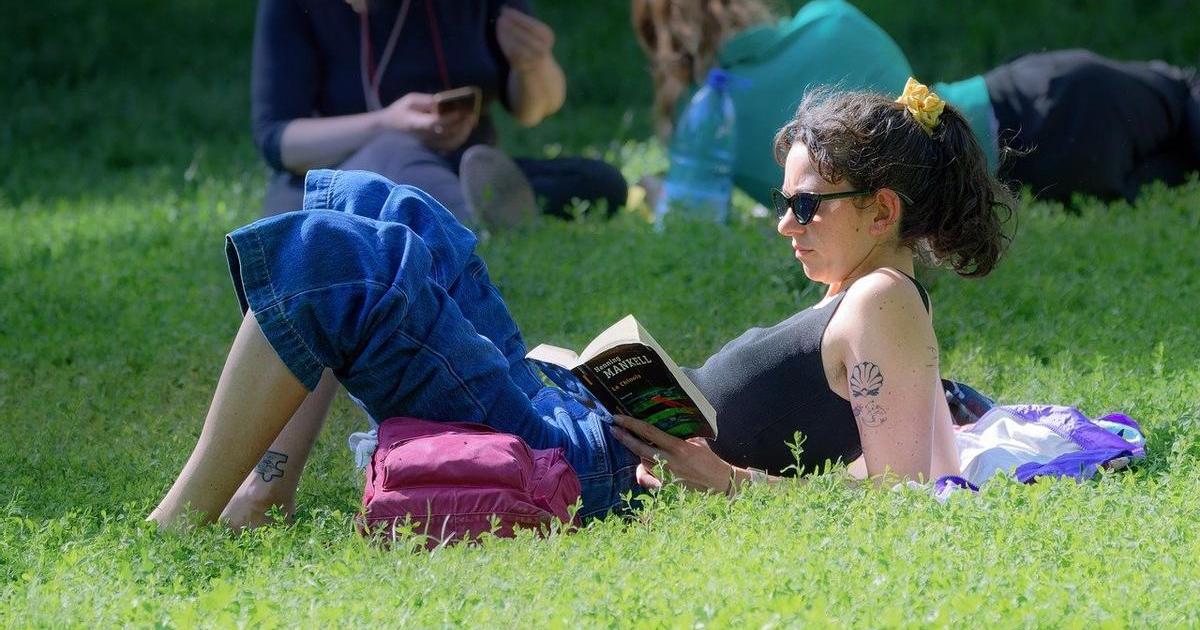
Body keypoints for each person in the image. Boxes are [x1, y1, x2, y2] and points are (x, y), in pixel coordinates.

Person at [149, 79, 1014, 530]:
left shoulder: (882, 300)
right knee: (388, 205)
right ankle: (264, 494)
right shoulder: (875, 299)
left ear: (881, 212)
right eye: (784, 203)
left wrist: (728, 484)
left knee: (342, 263)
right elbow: (903, 460)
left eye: (805, 206)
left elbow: (904, 497)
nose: (785, 224)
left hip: (592, 469)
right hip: (579, 419)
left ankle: (182, 524)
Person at [632, 0, 1200, 205]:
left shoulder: (703, 126)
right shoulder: (830, 20)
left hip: (1028, 181)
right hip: (1042, 104)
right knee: (1185, 94)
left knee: (1178, 172)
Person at [252, 0, 628, 225]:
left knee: (599, 181)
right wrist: (388, 123)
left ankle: (461, 215)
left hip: (461, 169)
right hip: (360, 172)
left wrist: (532, 64)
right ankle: (468, 223)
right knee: (398, 152)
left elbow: (532, 110)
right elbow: (279, 142)